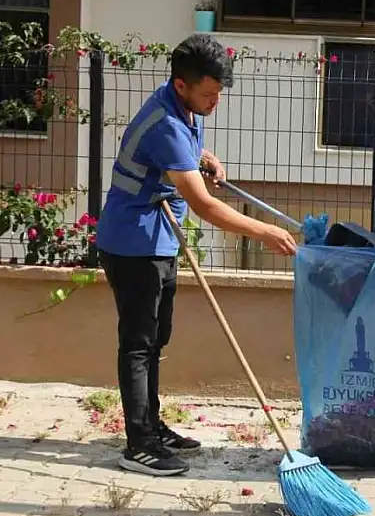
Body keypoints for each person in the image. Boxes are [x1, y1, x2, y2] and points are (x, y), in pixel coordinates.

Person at [93, 33, 298, 477]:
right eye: (209, 94)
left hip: (158, 239)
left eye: (219, 93)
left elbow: (180, 150)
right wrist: (264, 230)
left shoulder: (182, 107)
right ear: (182, 84)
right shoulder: (166, 123)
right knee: (139, 344)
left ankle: (151, 423)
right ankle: (139, 445)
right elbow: (204, 205)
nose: (215, 102)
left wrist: (202, 155)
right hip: (132, 244)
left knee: (157, 337)